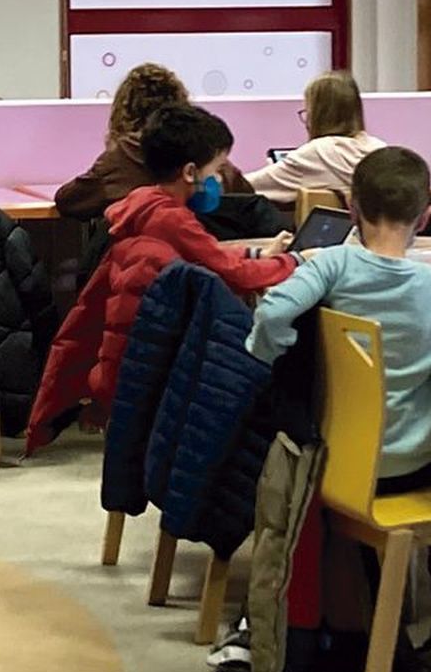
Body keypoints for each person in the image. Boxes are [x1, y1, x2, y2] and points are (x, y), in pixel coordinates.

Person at [245, 146, 431, 672]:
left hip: (334, 469)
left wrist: (268, 352)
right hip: (408, 468)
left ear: (351, 208)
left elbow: (276, 307)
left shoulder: (329, 265)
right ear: (425, 216)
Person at [25, 104, 299, 449]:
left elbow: (209, 254)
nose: (217, 181)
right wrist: (297, 261)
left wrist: (259, 253)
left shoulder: (144, 205)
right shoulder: (172, 220)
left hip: (130, 357)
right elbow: (236, 276)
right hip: (156, 368)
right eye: (215, 170)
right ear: (189, 172)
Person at [55, 62, 254, 220]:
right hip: (210, 257)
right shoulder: (204, 153)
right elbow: (247, 198)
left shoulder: (123, 155)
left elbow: (69, 202)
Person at [242, 71, 386, 206]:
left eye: (307, 111)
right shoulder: (379, 150)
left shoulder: (316, 153)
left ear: (317, 115)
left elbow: (247, 186)